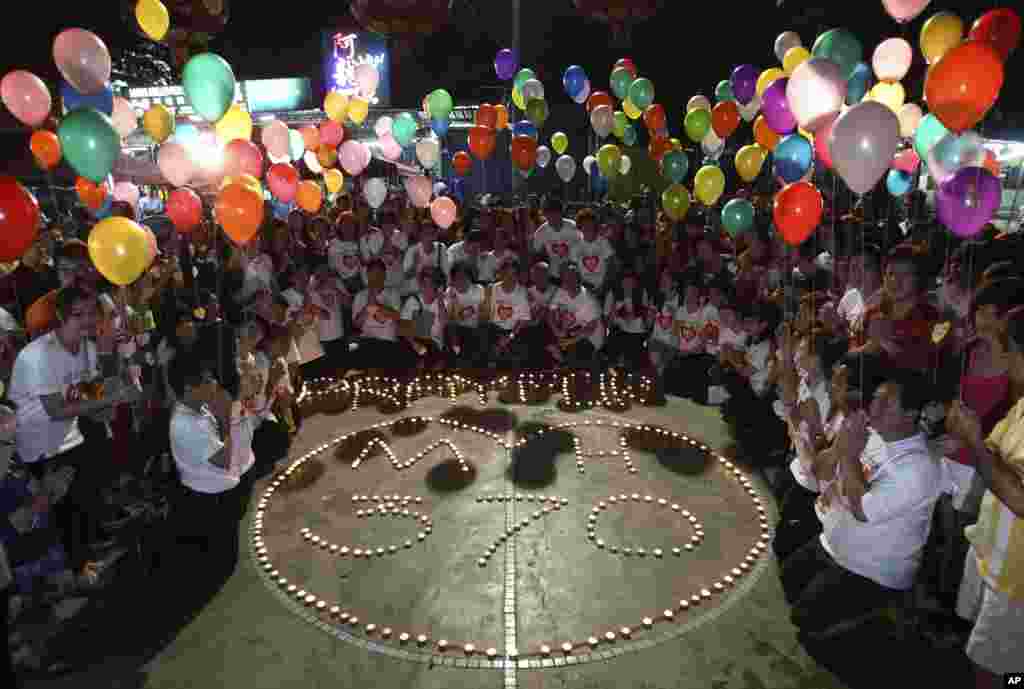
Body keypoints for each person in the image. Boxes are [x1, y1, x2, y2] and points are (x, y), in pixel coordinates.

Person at [780, 368, 944, 638]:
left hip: (870, 569)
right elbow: (819, 472)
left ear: (911, 414)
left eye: (885, 404)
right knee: (788, 576)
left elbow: (861, 510)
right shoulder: (870, 434)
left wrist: (848, 454)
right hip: (835, 542)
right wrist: (837, 449)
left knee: (805, 623)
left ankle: (880, 629)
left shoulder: (919, 467)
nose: (874, 408)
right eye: (875, 399)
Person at [8, 287, 143, 574]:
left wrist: (110, 357)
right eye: (77, 314)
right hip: (41, 446)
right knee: (65, 511)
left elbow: (90, 391)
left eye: (91, 312)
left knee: (85, 496)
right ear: (60, 315)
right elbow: (56, 409)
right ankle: (77, 570)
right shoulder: (37, 356)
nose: (86, 320)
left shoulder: (87, 348)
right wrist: (112, 399)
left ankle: (87, 552)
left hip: (71, 436)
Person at [945, 305, 1024, 689]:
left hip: (1017, 579)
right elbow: (993, 455)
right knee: (981, 651)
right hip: (994, 553)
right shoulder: (1021, 404)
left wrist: (974, 440)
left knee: (1000, 670)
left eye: (1011, 351)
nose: (1005, 360)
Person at [167, 355, 257, 603]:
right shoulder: (186, 425)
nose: (215, 383)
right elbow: (227, 459)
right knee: (219, 567)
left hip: (221, 494)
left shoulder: (199, 409)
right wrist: (239, 408)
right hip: (211, 504)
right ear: (188, 388)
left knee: (227, 556)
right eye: (208, 381)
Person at [349, 259, 411, 372]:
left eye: (379, 273)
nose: (376, 277)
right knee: (352, 347)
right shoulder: (360, 296)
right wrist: (368, 306)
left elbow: (397, 317)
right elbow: (356, 324)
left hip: (387, 342)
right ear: (367, 275)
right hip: (366, 341)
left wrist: (376, 304)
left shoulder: (393, 293)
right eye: (372, 273)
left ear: (384, 275)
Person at [547, 263, 604, 372]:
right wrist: (557, 331)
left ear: (578, 279)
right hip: (571, 331)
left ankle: (569, 364)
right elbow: (550, 314)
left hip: (590, 337)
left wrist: (569, 341)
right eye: (565, 277)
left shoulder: (589, 299)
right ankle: (562, 362)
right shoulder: (561, 291)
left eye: (571, 277)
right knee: (546, 340)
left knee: (575, 355)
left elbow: (591, 328)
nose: (568, 281)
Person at [532, 197, 581, 282]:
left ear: (561, 212)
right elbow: (535, 253)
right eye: (548, 213)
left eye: (555, 212)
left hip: (574, 272)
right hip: (553, 274)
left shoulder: (573, 227)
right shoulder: (541, 232)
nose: (552, 216)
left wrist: (572, 263)